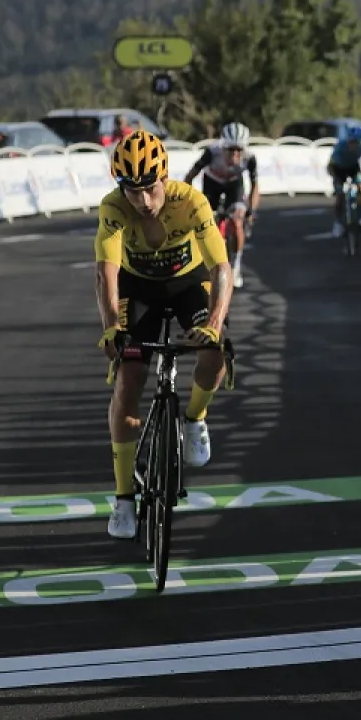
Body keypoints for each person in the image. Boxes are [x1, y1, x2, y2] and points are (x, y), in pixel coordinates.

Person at [94, 132, 231, 540]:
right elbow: (106, 273)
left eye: (149, 188)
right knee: (128, 381)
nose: (143, 201)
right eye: (131, 191)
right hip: (139, 290)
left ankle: (195, 418)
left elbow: (221, 269)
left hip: (187, 283)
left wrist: (214, 325)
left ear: (165, 177)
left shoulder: (190, 201)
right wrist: (111, 329)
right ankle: (123, 498)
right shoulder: (113, 208)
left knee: (215, 352)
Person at [184, 122, 259, 289]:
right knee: (208, 223)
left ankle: (236, 265)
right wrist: (182, 199)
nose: (235, 154)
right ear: (222, 147)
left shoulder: (250, 158)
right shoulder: (212, 152)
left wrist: (251, 210)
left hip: (234, 186)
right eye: (230, 149)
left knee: (237, 221)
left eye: (239, 150)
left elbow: (255, 186)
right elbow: (191, 174)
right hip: (212, 184)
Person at [328, 125, 361, 236]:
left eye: (356, 142)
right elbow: (331, 165)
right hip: (338, 169)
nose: (354, 145)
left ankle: (360, 217)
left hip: (353, 168)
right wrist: (336, 182)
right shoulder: (340, 146)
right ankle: (338, 223)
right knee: (340, 196)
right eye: (352, 142)